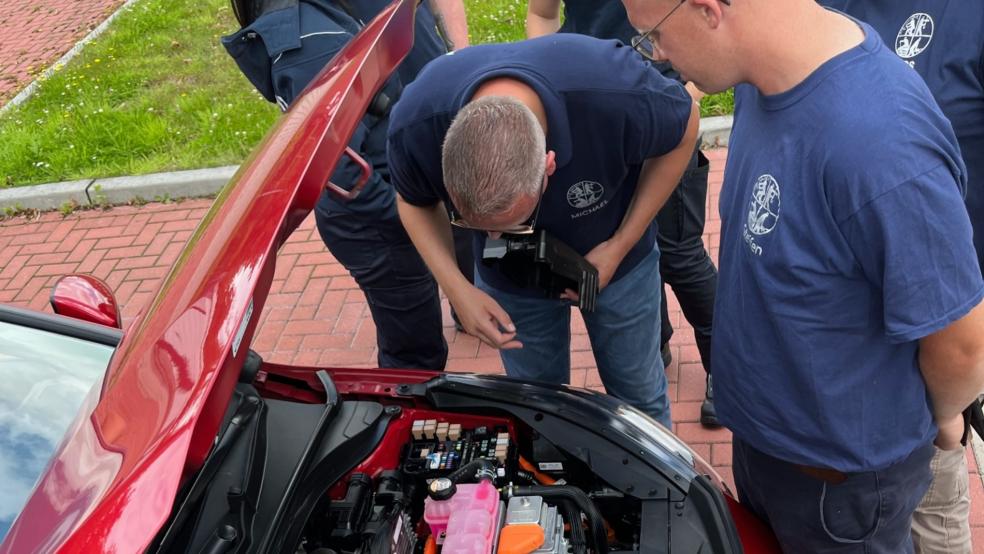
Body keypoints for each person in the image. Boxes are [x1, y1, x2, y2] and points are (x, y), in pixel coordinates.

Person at [620, 0, 984, 552]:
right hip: (772, 450)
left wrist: (930, 422)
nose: (658, 54)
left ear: (708, 9)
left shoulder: (880, 146)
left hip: (836, 487)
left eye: (653, 34)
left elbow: (961, 344)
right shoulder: (760, 80)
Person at [388, 34, 699, 427]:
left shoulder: (617, 91)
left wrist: (621, 244)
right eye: (479, 228)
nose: (498, 239)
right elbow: (413, 201)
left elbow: (686, 124)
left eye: (514, 224)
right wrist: (457, 288)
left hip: (618, 261)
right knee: (537, 408)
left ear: (549, 166)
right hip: (511, 284)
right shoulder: (418, 122)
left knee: (639, 398)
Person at [814, 4, 984, 552]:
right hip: (850, 340)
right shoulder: (809, 12)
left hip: (949, 316)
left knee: (939, 480)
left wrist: (948, 406)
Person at [222, 0, 469, 370]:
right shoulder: (308, 45)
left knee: (416, 339)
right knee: (415, 356)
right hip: (379, 229)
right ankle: (409, 417)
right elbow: (341, 173)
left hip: (383, 212)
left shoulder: (316, 19)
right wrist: (409, 217)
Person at [526, 0, 721, 427]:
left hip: (662, 113)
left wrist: (687, 93)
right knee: (625, 243)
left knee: (679, 254)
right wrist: (547, 83)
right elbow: (541, 14)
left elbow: (720, 20)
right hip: (592, 118)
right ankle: (655, 344)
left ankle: (725, 369)